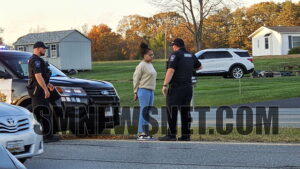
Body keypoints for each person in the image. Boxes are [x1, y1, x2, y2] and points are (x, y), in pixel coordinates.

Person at [159, 38, 202, 141]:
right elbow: (199, 67)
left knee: (171, 110)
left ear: (176, 45)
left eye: (173, 45)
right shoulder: (191, 55)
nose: (172, 47)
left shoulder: (175, 55)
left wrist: (165, 85)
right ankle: (185, 135)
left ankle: (171, 135)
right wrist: (188, 69)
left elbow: (171, 70)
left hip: (176, 88)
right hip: (188, 88)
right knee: (185, 111)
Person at [27, 41, 60, 143]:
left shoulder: (37, 60)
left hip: (39, 89)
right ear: (38, 48)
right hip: (38, 91)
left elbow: (41, 76)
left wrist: (48, 84)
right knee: (42, 112)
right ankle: (46, 136)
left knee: (44, 112)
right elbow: (38, 76)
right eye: (44, 48)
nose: (45, 50)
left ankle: (47, 135)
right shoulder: (35, 60)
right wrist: (45, 89)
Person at [133, 42, 157, 141]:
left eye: (152, 54)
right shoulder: (141, 65)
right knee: (144, 111)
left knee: (147, 112)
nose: (152, 56)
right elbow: (136, 79)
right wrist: (135, 92)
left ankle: (146, 133)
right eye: (150, 55)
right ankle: (141, 133)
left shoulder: (150, 64)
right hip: (143, 90)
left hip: (151, 91)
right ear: (144, 55)